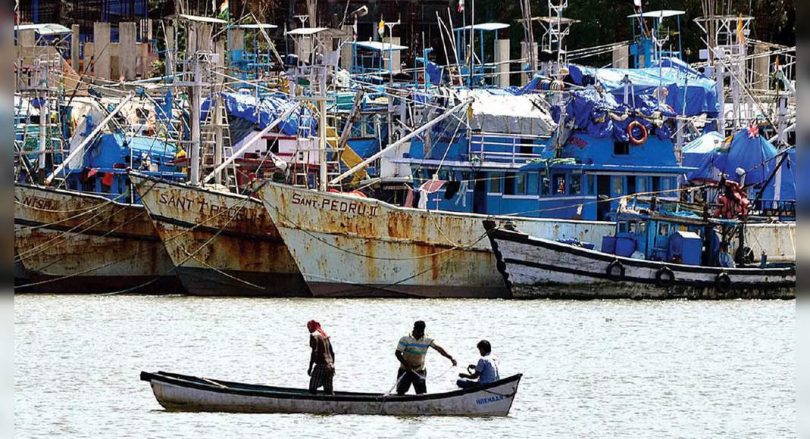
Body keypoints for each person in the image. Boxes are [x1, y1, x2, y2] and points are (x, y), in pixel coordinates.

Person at [395, 320, 457, 395]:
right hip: (405, 370)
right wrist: (407, 365)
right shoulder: (405, 339)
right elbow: (398, 353)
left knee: (421, 393)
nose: (420, 334)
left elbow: (439, 349)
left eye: (421, 331)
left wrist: (450, 358)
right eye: (418, 331)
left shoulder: (427, 340)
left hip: (419, 371)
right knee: (401, 392)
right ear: (414, 329)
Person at [307, 320, 335, 394]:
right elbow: (332, 353)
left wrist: (310, 367)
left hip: (321, 366)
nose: (308, 329)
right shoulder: (325, 336)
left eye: (309, 327)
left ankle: (312, 403)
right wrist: (332, 365)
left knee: (312, 388)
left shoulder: (314, 336)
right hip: (330, 366)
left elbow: (314, 352)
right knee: (328, 391)